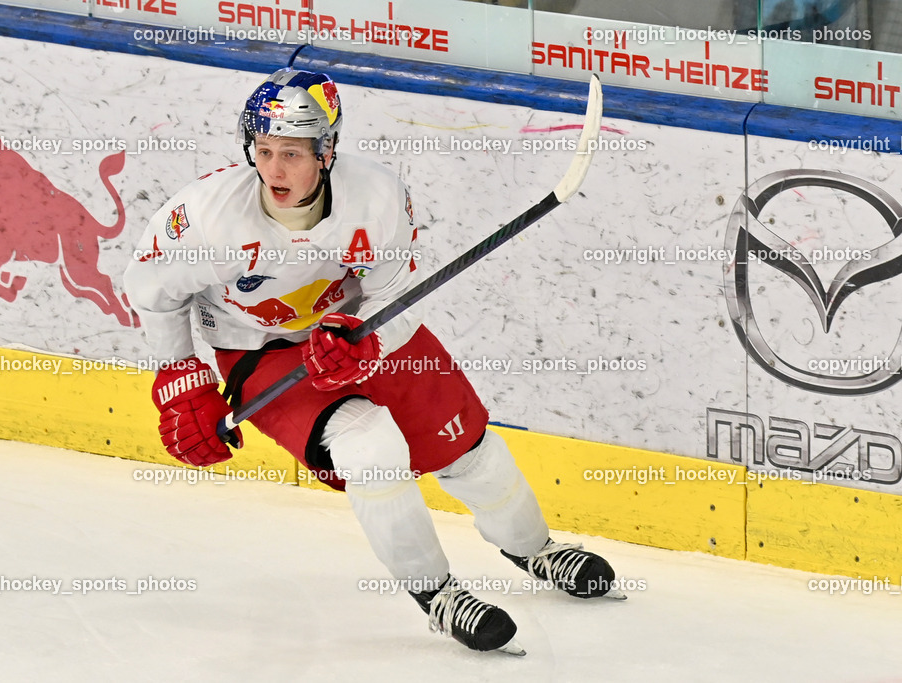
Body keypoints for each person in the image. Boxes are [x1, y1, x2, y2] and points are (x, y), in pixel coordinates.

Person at [123, 68, 622, 655]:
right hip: (262, 350)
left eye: (290, 153)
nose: (273, 170)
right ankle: (438, 594)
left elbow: (397, 297)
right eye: (262, 151)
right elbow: (152, 291)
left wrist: (366, 338)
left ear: (326, 152)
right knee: (370, 447)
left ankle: (536, 549)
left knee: (472, 453)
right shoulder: (207, 218)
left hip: (358, 330)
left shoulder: (378, 196)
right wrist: (182, 380)